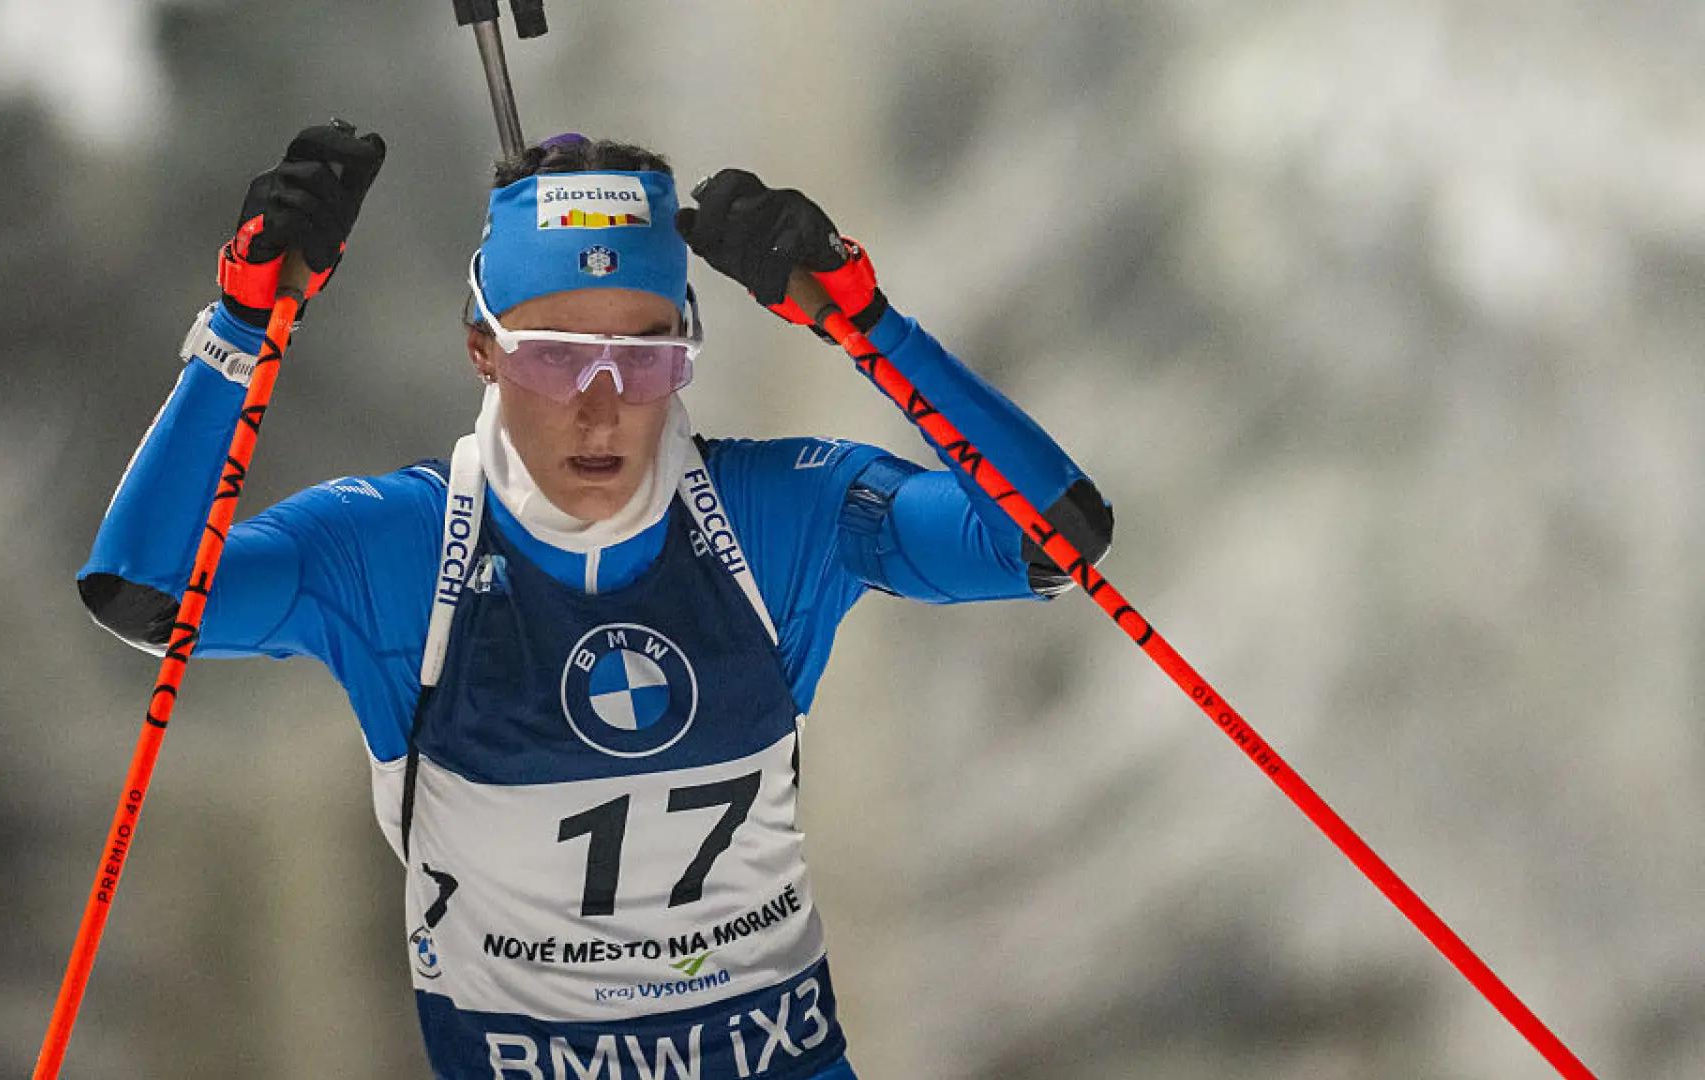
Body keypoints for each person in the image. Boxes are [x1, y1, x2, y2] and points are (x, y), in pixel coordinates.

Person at [79, 122, 1114, 1080]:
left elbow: (1050, 539)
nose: (603, 405)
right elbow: (143, 593)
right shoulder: (396, 548)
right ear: (481, 348)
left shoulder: (779, 515)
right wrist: (242, 323)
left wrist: (865, 322)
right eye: (555, 356)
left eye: (646, 356)